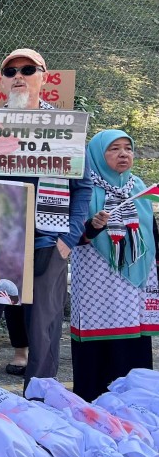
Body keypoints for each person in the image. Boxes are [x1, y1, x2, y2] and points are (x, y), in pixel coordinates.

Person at [0, 48, 90, 396]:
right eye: (11, 70)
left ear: (44, 77)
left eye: (28, 69)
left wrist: (69, 239)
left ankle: (41, 403)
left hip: (47, 241)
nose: (19, 75)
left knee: (43, 330)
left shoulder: (65, 127)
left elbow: (84, 186)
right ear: (2, 80)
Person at [70, 130, 158, 401]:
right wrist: (93, 227)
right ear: (96, 155)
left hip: (135, 286)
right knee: (99, 350)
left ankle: (136, 404)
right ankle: (93, 404)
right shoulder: (86, 188)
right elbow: (75, 235)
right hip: (98, 286)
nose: (123, 154)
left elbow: (150, 232)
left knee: (132, 346)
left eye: (127, 149)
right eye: (114, 149)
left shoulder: (138, 187)